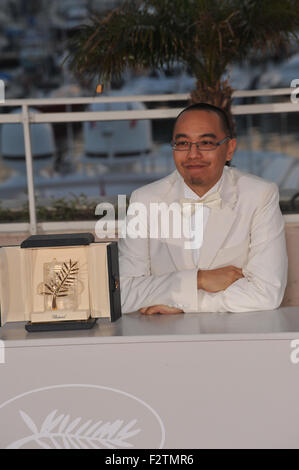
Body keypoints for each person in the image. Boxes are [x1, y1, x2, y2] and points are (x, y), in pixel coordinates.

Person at [118, 103, 288, 314]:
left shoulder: (260, 195)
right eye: (182, 143)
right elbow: (124, 293)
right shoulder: (144, 200)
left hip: (237, 337)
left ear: (230, 149)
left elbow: (267, 293)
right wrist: (200, 279)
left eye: (206, 143)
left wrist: (183, 304)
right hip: (164, 337)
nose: (192, 154)